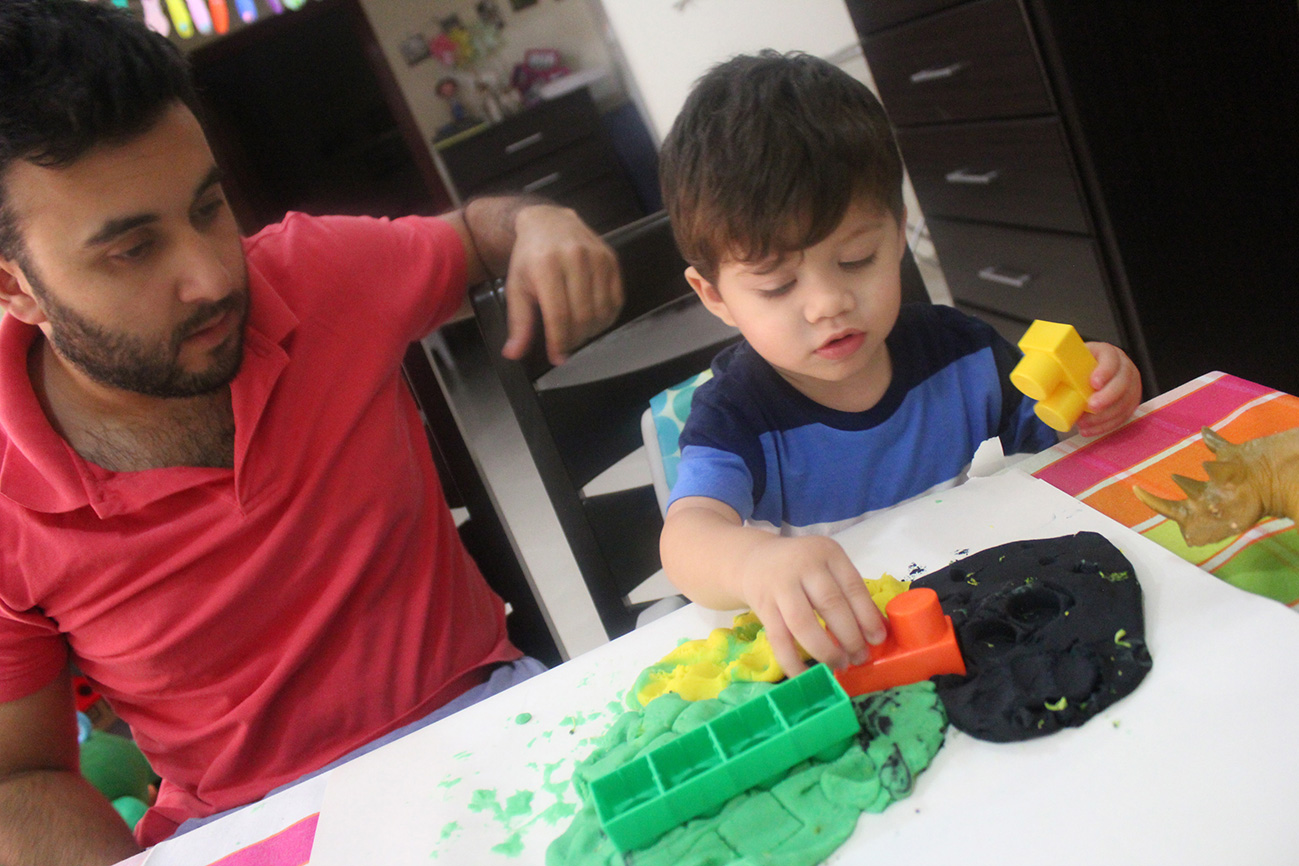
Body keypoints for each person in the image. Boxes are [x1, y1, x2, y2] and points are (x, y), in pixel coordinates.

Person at [0, 2, 622, 864]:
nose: (211, 276)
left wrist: (537, 222)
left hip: (492, 741)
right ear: (14, 287)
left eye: (208, 207)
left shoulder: (318, 276)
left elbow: (480, 234)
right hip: (252, 831)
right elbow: (21, 774)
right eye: (132, 251)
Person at [657, 51, 1142, 682]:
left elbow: (1060, 429)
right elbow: (687, 538)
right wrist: (752, 564)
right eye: (777, 286)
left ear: (898, 232)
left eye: (857, 258)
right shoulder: (736, 415)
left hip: (971, 619)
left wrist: (1098, 391)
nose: (828, 303)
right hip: (842, 647)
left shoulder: (958, 351)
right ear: (715, 296)